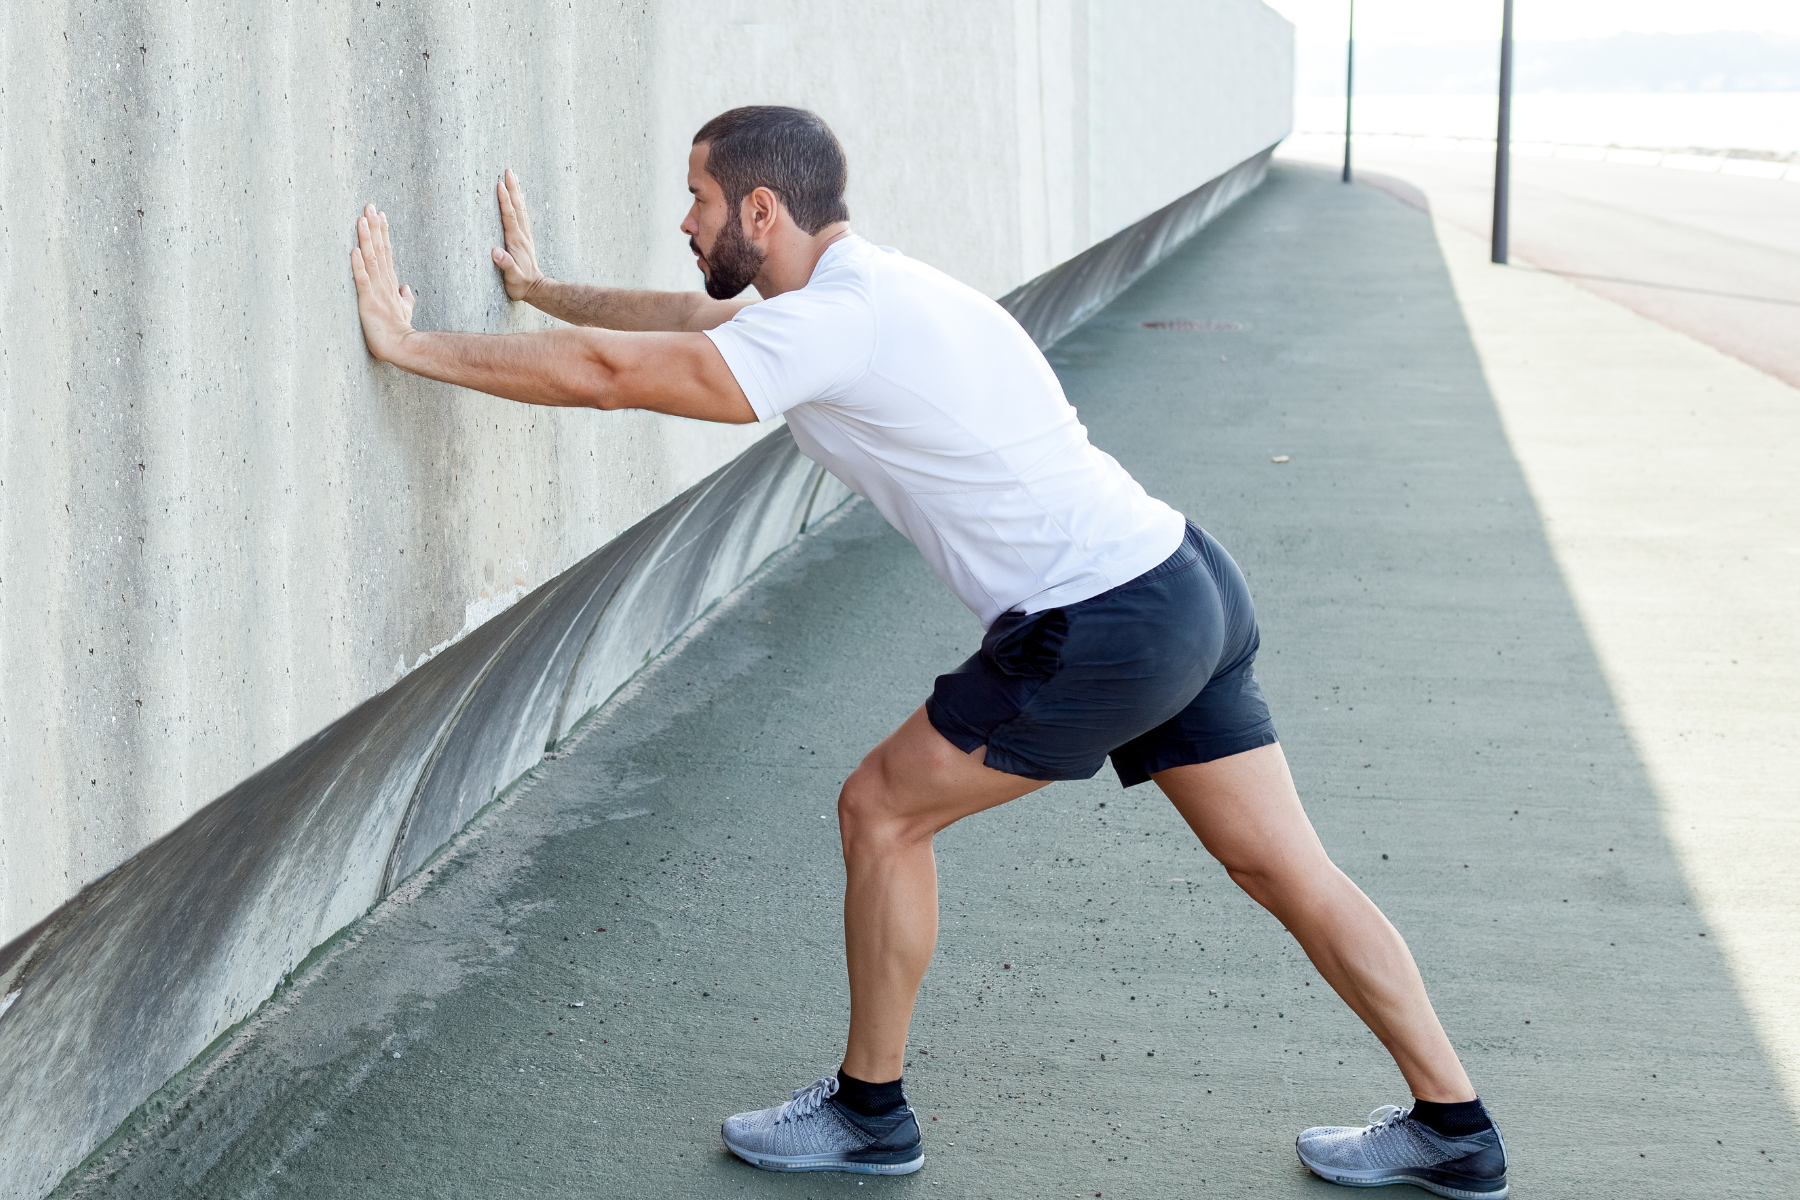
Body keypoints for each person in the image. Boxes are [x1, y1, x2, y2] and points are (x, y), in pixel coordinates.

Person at [350, 105, 1509, 1198]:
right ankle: (1455, 1129)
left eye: (698, 198)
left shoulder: (834, 321)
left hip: (1099, 619)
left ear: (763, 212)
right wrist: (545, 293)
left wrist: (409, 346)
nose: (687, 221)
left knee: (882, 813)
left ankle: (868, 1110)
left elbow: (618, 384)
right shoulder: (874, 291)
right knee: (1284, 869)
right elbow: (690, 322)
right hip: (1184, 579)